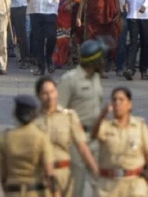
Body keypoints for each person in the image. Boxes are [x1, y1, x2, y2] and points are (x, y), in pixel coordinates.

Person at [91, 87, 148, 197]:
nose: (117, 103)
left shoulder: (139, 127)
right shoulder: (105, 126)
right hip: (108, 185)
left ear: (130, 104)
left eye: (121, 99)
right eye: (114, 100)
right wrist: (102, 115)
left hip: (134, 184)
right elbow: (93, 135)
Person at [35, 76, 99, 197]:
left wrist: (96, 173)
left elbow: (83, 148)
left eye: (52, 92)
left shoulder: (69, 117)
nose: (50, 97)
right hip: (40, 177)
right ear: (38, 95)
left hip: (64, 176)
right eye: (45, 93)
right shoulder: (33, 120)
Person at [58, 39, 105, 197]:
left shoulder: (96, 78)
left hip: (95, 139)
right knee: (75, 188)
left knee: (101, 186)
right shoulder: (69, 80)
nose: (103, 62)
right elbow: (59, 113)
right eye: (101, 59)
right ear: (94, 61)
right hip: (76, 141)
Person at [0, 95, 58, 197]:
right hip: (36, 192)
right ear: (34, 115)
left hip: (13, 191)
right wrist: (55, 193)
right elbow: (49, 171)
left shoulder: (6, 138)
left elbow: (3, 175)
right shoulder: (41, 137)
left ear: (15, 114)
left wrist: (8, 191)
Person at [76, 0, 120, 75]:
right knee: (90, 43)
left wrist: (118, 12)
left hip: (105, 17)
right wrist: (79, 16)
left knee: (103, 44)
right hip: (92, 17)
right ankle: (90, 69)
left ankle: (101, 69)